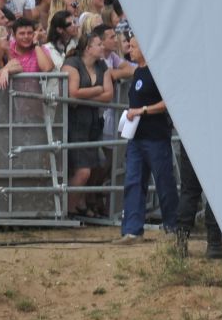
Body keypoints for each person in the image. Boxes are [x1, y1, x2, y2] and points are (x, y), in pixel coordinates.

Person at [118, 35, 178, 242]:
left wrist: (143, 110)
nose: (130, 50)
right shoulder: (138, 72)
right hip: (136, 137)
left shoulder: (157, 72)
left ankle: (172, 225)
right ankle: (133, 229)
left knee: (164, 181)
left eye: (134, 47)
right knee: (133, 181)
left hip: (156, 136)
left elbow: (167, 102)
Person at [65, 26, 116, 217]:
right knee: (82, 171)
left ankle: (78, 205)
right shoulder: (72, 63)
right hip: (75, 123)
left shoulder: (101, 65)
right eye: (99, 44)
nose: (103, 47)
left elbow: (109, 95)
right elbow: (73, 93)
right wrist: (96, 90)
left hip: (94, 123)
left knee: (97, 165)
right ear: (88, 48)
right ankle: (68, 210)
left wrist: (84, 99)